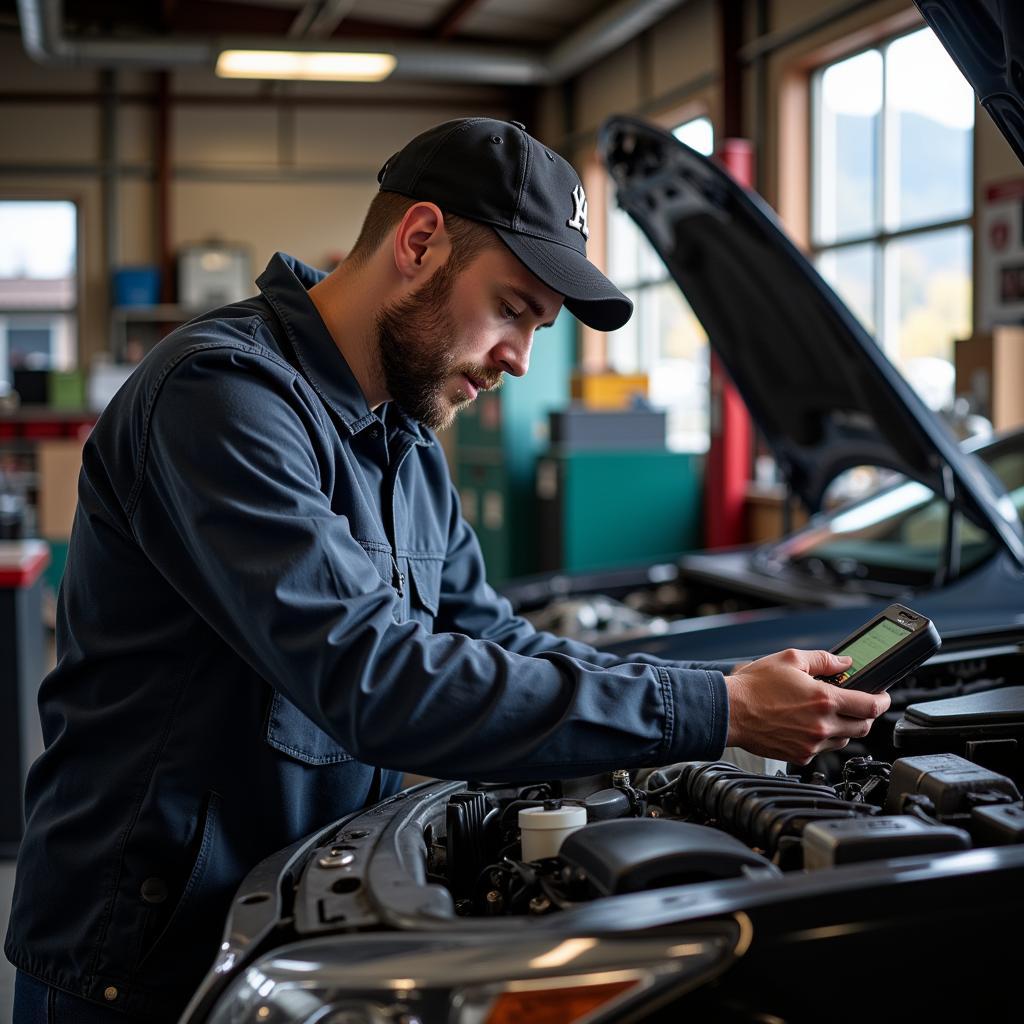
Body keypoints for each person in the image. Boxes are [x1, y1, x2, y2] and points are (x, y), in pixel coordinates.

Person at [6, 117, 887, 1022]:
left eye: (537, 327)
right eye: (511, 308)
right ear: (419, 240)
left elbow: (493, 639)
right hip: (144, 960)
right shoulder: (220, 397)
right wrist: (715, 712)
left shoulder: (407, 441)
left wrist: (725, 689)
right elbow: (373, 678)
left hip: (291, 929)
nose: (518, 359)